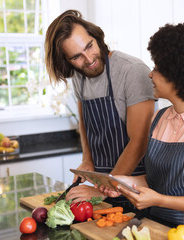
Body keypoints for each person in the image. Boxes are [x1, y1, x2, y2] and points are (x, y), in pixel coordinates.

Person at [99, 21, 184, 239]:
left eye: (157, 68)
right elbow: (157, 182)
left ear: (179, 74)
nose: (150, 75)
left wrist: (158, 200)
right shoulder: (160, 117)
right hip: (158, 230)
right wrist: (122, 183)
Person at [44, 10, 155, 206]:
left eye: (89, 46)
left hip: (136, 190)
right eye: (77, 56)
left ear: (96, 36)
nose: (88, 59)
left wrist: (105, 187)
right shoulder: (80, 77)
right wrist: (88, 160)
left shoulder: (132, 71)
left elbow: (139, 142)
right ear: (66, 61)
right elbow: (84, 124)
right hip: (102, 191)